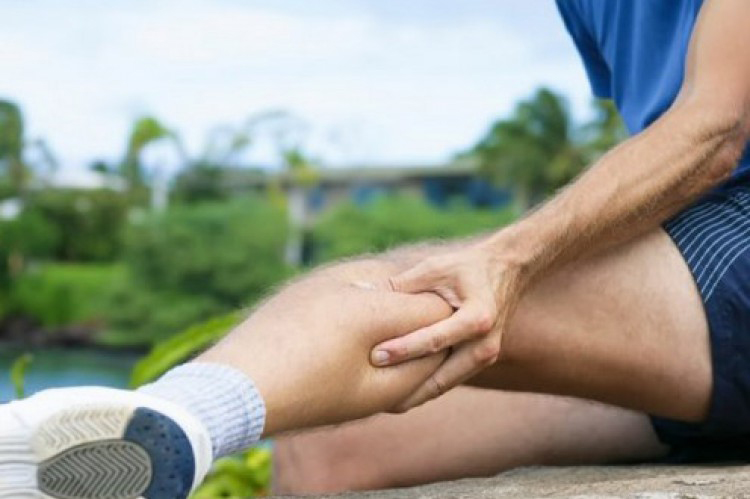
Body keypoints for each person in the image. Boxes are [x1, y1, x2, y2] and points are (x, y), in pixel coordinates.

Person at [2, 0, 750, 497]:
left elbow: (715, 127)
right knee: (329, 451)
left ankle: (159, 422)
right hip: (706, 313)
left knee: (409, 297)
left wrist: (510, 259)